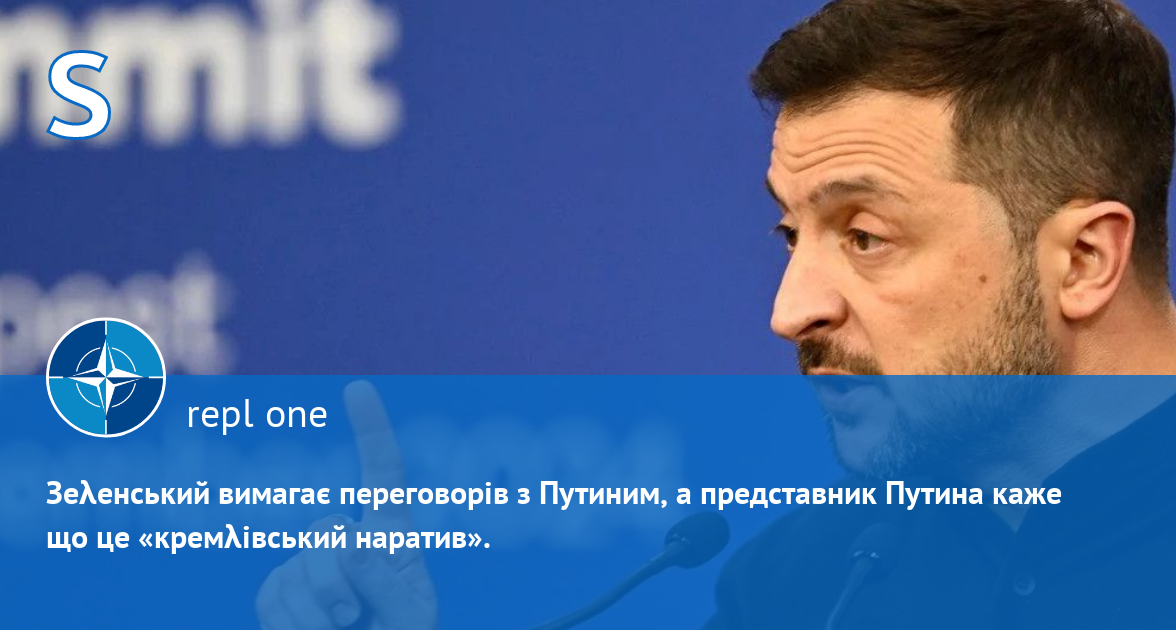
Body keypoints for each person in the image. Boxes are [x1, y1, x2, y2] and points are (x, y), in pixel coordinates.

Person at [256, 1, 1176, 628]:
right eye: (791, 236)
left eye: (865, 236)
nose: (791, 311)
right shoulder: (799, 585)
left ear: (1083, 260)